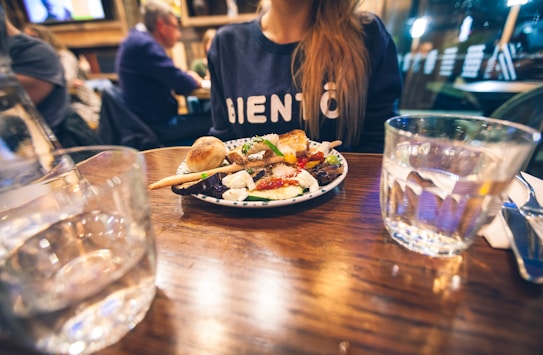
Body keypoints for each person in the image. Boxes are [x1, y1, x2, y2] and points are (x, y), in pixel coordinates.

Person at [207, 0, 403, 153]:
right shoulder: (227, 45)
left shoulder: (367, 34)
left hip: (342, 198)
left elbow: (378, 143)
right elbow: (227, 144)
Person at [115, 0, 211, 145]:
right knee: (217, 121)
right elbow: (181, 83)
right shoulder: (144, 45)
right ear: (161, 25)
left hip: (145, 122)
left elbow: (170, 74)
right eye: (175, 27)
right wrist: (193, 79)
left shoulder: (135, 39)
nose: (178, 34)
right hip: (155, 127)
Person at [5, 11, 101, 148]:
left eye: (31, 37)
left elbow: (68, 80)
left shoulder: (43, 54)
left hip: (76, 114)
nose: (27, 40)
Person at [24, 24, 102, 130]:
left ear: (45, 38)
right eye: (26, 38)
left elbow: (66, 80)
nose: (29, 42)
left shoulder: (63, 56)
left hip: (80, 106)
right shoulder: (33, 63)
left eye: (33, 37)